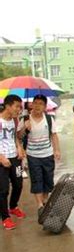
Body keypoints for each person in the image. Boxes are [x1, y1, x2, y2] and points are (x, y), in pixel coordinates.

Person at [18, 95, 60, 216]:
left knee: (48, 179)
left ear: (45, 107)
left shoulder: (49, 119)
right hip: (33, 155)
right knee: (37, 180)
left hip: (47, 154)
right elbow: (19, 137)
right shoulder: (26, 119)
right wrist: (25, 128)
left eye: (40, 104)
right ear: (31, 104)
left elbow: (54, 135)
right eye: (35, 103)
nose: (37, 106)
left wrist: (57, 150)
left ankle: (45, 200)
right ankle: (40, 205)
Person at [0, 95, 26, 230]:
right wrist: (1, 158)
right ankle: (5, 217)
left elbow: (15, 137)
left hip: (15, 158)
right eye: (16, 106)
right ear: (8, 106)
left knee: (18, 184)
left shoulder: (15, 120)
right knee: (3, 189)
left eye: (20, 107)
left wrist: (20, 148)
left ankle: (13, 206)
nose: (19, 109)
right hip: (1, 160)